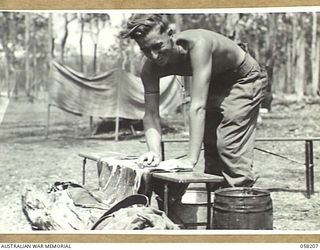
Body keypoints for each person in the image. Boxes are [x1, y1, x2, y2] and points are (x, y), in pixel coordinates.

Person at [121, 14, 267, 199]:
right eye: (146, 50)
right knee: (212, 148)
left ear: (171, 34)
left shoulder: (198, 44)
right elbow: (151, 114)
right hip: (214, 80)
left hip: (242, 78)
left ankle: (243, 205)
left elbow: (197, 107)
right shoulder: (149, 68)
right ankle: (217, 209)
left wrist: (190, 160)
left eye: (158, 46)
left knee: (229, 146)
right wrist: (154, 153)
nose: (154, 56)